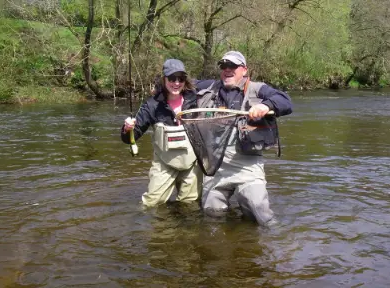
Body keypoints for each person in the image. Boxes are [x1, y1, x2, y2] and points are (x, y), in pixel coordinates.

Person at [195, 51, 293, 226]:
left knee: (260, 214)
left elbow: (286, 101)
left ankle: (277, 241)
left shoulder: (258, 89)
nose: (227, 70)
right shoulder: (211, 87)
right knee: (211, 214)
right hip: (215, 167)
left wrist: (265, 105)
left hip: (247, 166)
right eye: (223, 66)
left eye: (232, 66)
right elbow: (182, 85)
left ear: (244, 70)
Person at [120, 59, 202, 207]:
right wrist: (127, 129)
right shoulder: (152, 105)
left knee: (190, 206)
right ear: (164, 79)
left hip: (191, 163)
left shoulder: (195, 98)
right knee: (151, 205)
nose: (177, 83)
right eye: (172, 78)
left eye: (181, 79)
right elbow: (131, 137)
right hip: (164, 163)